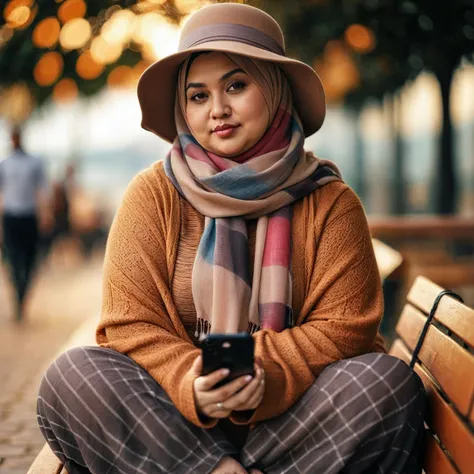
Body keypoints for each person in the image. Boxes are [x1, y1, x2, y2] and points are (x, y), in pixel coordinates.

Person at [36, 4, 425, 473]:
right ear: (183, 107)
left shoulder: (331, 204)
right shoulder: (152, 196)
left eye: (236, 86)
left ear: (275, 88)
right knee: (72, 377)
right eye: (198, 96)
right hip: (173, 425)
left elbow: (346, 330)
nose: (217, 109)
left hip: (293, 426)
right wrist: (193, 380)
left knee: (387, 383)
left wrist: (259, 373)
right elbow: (128, 325)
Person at [0, 126, 47, 321]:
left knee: (30, 260)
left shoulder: (34, 163)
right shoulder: (4, 164)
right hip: (11, 216)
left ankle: (22, 294)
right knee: (12, 259)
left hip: (29, 216)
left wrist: (45, 216)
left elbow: (42, 191)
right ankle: (17, 296)